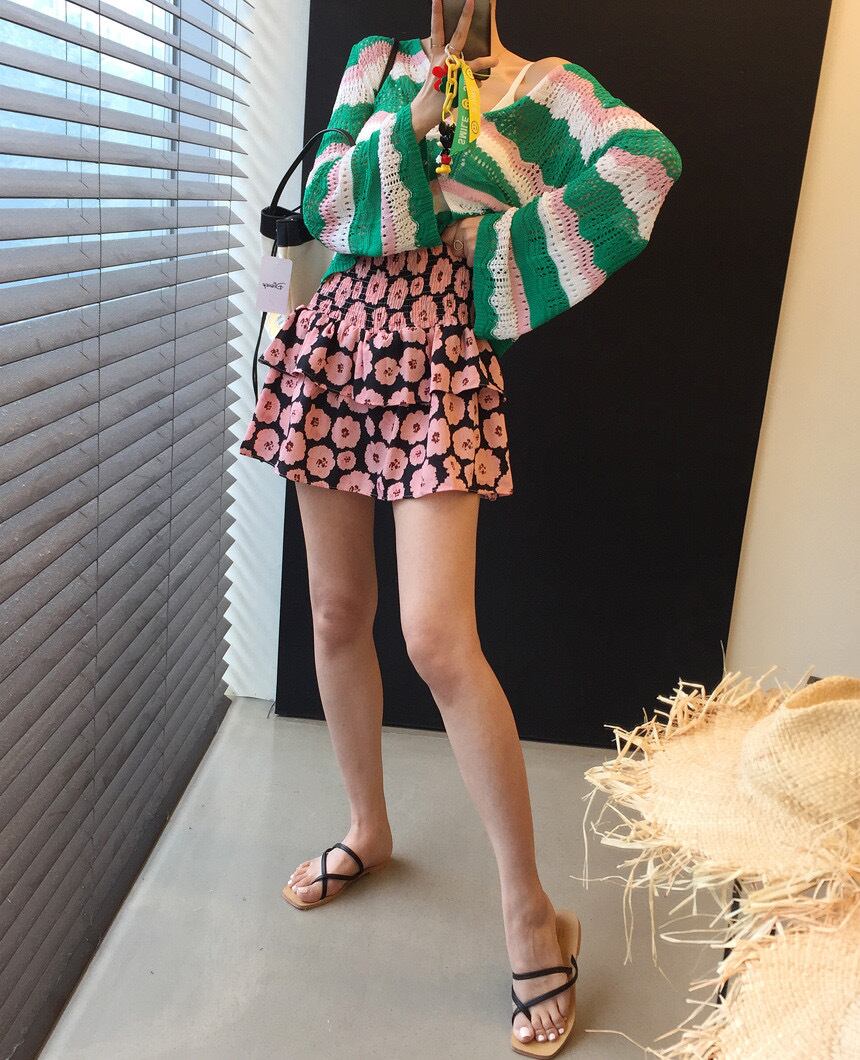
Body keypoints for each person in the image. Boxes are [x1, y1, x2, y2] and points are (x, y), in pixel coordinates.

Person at [238, 0, 681, 1050]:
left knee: (437, 638)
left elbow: (645, 166)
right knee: (336, 612)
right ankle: (367, 827)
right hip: (335, 339)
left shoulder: (547, 92)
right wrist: (416, 120)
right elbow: (331, 202)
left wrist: (498, 257)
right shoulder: (375, 65)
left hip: (440, 359)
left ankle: (531, 912)